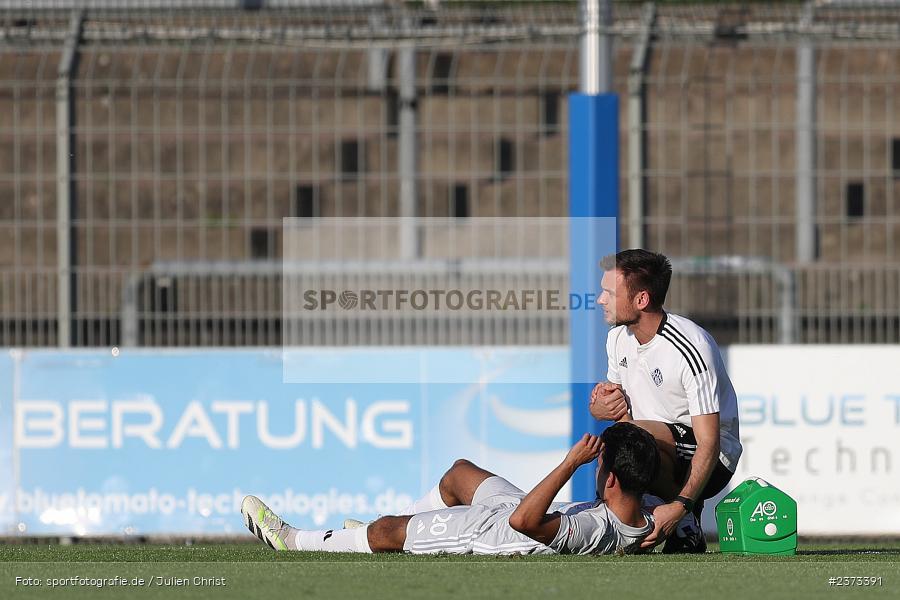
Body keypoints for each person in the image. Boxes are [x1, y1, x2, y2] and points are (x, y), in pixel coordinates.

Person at [241, 422, 660, 556]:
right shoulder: (646, 514)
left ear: (610, 478)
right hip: (525, 510)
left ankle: (294, 540)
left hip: (499, 533)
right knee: (460, 472)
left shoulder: (595, 531)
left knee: (391, 531)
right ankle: (362, 533)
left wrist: (570, 463)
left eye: (599, 463)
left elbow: (524, 522)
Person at [592, 249, 742, 553]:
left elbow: (710, 441)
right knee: (612, 443)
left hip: (712, 456)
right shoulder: (617, 338)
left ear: (641, 300)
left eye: (609, 292)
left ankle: (685, 522)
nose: (600, 300)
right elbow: (614, 411)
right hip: (655, 445)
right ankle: (619, 528)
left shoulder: (691, 347)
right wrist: (599, 406)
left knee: (628, 438)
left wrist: (680, 507)